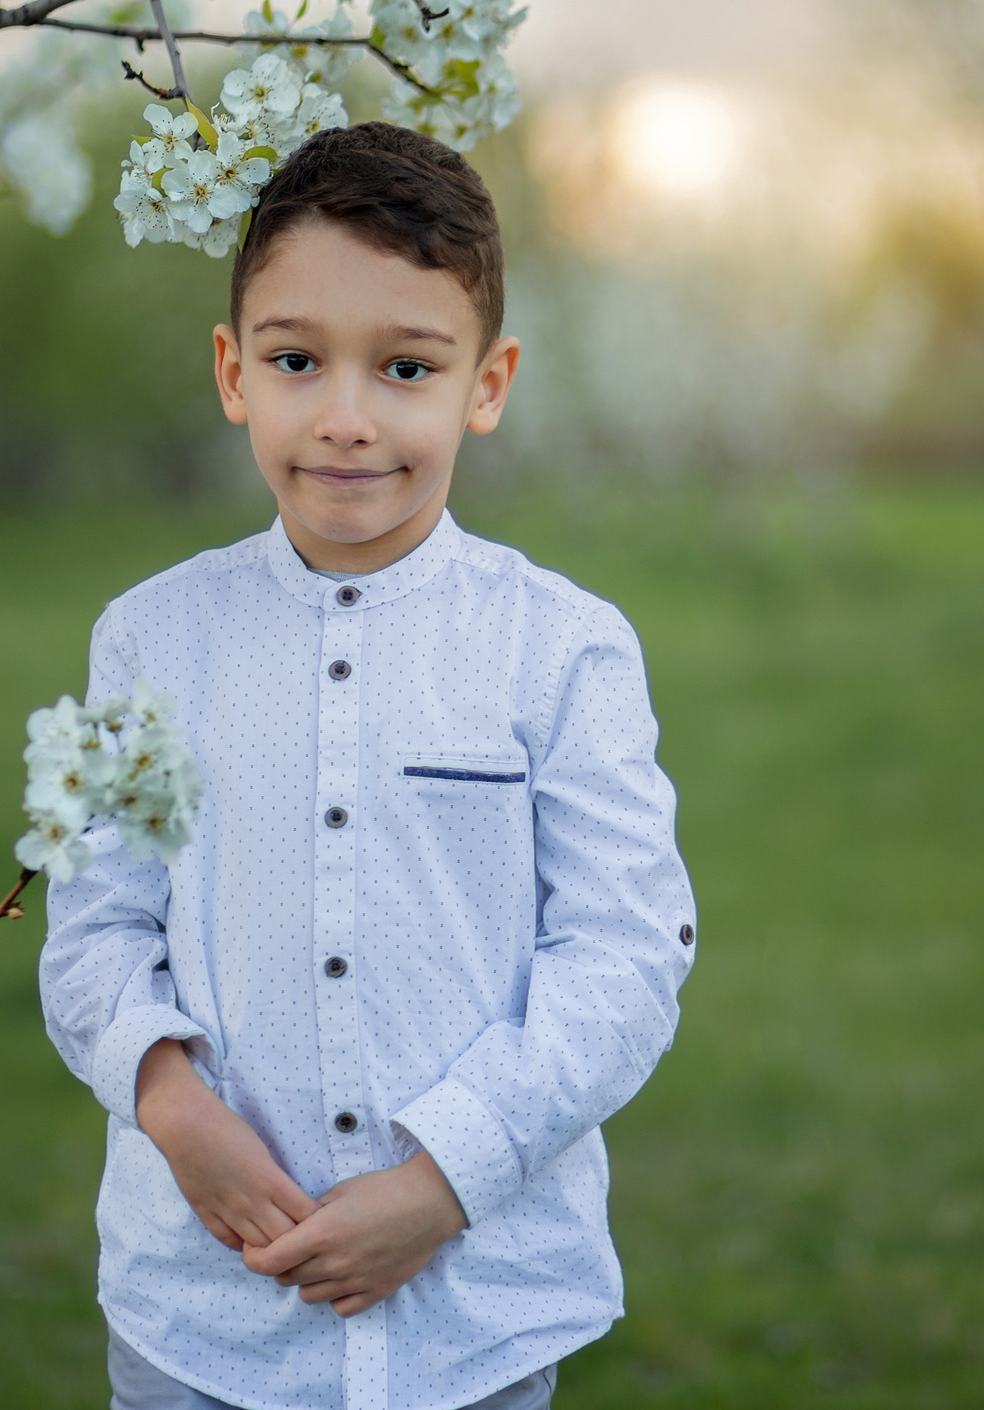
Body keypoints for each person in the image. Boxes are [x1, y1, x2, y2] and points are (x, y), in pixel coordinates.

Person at [36, 121, 697, 1410]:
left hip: (474, 1317)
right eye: (297, 361)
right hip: (205, 1313)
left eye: (405, 368)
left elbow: (627, 953)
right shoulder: (148, 640)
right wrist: (175, 1111)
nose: (345, 420)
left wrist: (442, 1181)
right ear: (234, 371)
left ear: (487, 385)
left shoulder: (562, 650)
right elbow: (95, 931)